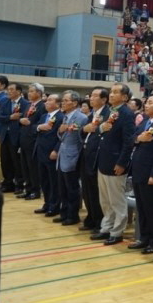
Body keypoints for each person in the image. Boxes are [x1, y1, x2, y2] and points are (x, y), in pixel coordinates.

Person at [91, 84, 135, 246]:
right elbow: (99, 131)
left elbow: (128, 141)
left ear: (124, 97)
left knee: (117, 200)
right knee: (105, 200)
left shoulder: (127, 114)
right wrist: (101, 128)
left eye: (116, 92)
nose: (111, 94)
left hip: (116, 162)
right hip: (103, 159)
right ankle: (106, 228)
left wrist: (122, 162)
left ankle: (117, 232)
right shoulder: (109, 111)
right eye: (111, 92)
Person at [128, 93, 153, 254]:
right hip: (138, 168)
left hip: (150, 171)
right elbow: (132, 138)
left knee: (151, 208)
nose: (146, 105)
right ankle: (144, 238)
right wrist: (139, 138)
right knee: (141, 206)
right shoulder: (145, 121)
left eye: (150, 103)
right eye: (146, 102)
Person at [52, 91, 88, 225]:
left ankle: (73, 216)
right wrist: (60, 131)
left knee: (72, 188)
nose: (63, 103)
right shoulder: (65, 116)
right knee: (62, 188)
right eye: (63, 100)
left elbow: (82, 138)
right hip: (63, 154)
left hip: (73, 155)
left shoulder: (81, 118)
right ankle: (64, 213)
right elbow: (61, 136)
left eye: (66, 100)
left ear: (74, 103)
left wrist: (66, 130)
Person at [79, 87, 109, 233]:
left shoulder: (108, 114)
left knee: (95, 190)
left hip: (97, 155)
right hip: (86, 153)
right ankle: (90, 217)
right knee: (86, 189)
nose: (91, 98)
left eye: (95, 96)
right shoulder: (92, 114)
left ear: (104, 99)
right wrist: (84, 129)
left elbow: (106, 133)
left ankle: (99, 221)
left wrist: (95, 129)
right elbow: (84, 130)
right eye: (91, 95)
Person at [33, 94, 64, 216]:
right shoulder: (44, 116)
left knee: (53, 181)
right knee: (44, 181)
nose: (46, 102)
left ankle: (54, 206)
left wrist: (56, 150)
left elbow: (62, 137)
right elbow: (33, 128)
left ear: (57, 104)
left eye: (50, 100)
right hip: (41, 151)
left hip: (51, 152)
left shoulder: (61, 117)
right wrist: (39, 127)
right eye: (47, 100)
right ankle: (46, 203)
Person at [0, 83, 28, 194]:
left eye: (11, 89)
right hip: (5, 135)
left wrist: (17, 119)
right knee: (5, 161)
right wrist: (10, 117)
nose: (9, 91)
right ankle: (7, 183)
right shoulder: (5, 102)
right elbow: (0, 116)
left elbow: (26, 118)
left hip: (17, 136)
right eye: (8, 89)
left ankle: (19, 184)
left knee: (17, 162)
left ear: (19, 91)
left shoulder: (25, 103)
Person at [18, 83, 45, 201]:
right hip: (24, 139)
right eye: (28, 91)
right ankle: (28, 189)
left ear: (39, 93)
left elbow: (42, 123)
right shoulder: (29, 105)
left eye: (31, 91)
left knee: (33, 167)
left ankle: (35, 190)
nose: (29, 93)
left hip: (33, 140)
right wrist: (21, 120)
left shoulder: (42, 106)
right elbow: (24, 120)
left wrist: (30, 124)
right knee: (25, 167)